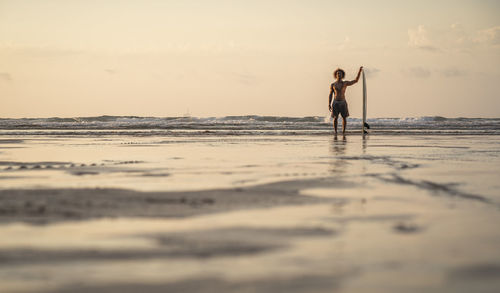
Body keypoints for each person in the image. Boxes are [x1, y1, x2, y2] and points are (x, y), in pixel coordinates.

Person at [328, 66, 363, 134]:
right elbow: (330, 94)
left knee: (344, 117)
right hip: (335, 102)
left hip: (343, 102)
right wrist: (329, 103)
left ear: (342, 75)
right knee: (335, 118)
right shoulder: (333, 85)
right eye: (338, 73)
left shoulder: (345, 83)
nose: (339, 74)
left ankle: (343, 131)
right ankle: (335, 132)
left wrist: (359, 71)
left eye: (340, 73)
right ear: (335, 75)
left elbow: (355, 81)